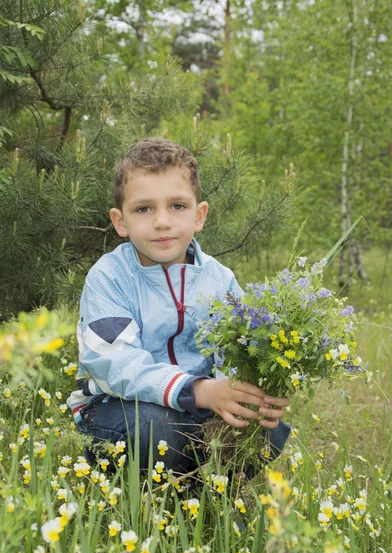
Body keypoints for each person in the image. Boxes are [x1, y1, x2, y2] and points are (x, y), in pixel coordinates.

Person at [67, 137, 291, 475]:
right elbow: (115, 363)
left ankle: (209, 499)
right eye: (144, 209)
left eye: (177, 206)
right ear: (120, 221)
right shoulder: (110, 277)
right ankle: (139, 500)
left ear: (199, 215)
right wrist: (197, 390)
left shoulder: (219, 278)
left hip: (197, 409)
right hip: (120, 408)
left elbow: (237, 352)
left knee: (264, 431)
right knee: (156, 429)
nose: (162, 222)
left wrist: (246, 395)